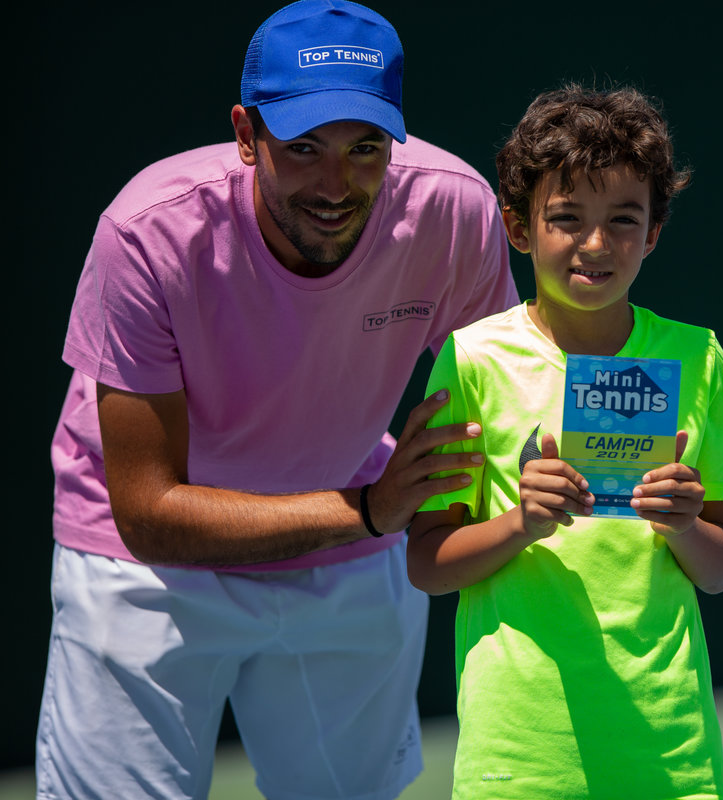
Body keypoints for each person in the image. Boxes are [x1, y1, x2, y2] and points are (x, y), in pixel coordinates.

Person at [37, 1, 519, 798]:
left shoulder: (453, 211)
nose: (335, 185)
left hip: (351, 542)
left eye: (365, 149)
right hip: (147, 565)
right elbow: (148, 510)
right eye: (302, 148)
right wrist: (373, 510)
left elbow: (504, 411)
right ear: (245, 133)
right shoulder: (146, 233)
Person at [407, 83, 723, 799]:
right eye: (566, 217)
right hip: (518, 759)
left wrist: (684, 524)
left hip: (671, 756)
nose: (595, 244)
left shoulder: (700, 357)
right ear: (519, 228)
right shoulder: (471, 359)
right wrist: (522, 522)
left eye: (623, 219)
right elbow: (428, 564)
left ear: (653, 232)